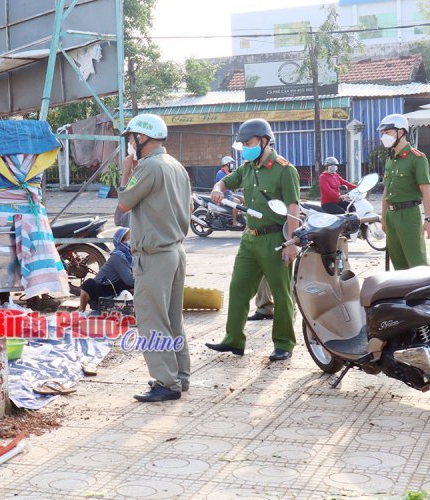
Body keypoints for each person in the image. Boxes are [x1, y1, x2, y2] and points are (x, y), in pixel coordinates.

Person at [205, 118, 300, 362]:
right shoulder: (247, 167)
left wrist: (292, 243)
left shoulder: (284, 169)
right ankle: (233, 339)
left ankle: (283, 343)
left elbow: (293, 208)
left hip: (274, 239)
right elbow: (226, 181)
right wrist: (218, 187)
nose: (246, 147)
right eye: (244, 143)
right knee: (238, 288)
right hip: (250, 239)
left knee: (281, 293)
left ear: (264, 141)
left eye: (249, 142)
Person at [116, 113, 192, 402]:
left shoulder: (147, 167)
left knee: (152, 320)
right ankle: (180, 377)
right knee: (173, 318)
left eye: (131, 138)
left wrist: (126, 172)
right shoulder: (175, 165)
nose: (129, 144)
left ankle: (165, 382)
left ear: (141, 138)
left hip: (155, 256)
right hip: (175, 250)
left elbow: (123, 203)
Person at [378, 113, 430, 270]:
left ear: (400, 132)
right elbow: (386, 192)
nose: (384, 137)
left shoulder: (417, 158)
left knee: (416, 263)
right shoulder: (391, 159)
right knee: (398, 264)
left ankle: (421, 294)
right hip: (391, 216)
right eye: (383, 133)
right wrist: (383, 218)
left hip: (409, 215)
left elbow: (426, 189)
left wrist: (429, 219)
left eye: (388, 133)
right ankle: (403, 294)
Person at [78, 227, 134, 314]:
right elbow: (130, 281)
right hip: (103, 291)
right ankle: (81, 310)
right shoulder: (118, 257)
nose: (132, 240)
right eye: (129, 238)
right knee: (89, 284)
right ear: (122, 241)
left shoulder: (131, 256)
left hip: (117, 289)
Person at [216, 156, 243, 226]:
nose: (232, 165)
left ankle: (240, 213)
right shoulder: (221, 173)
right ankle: (234, 221)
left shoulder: (226, 173)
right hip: (224, 196)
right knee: (237, 202)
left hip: (229, 194)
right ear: (227, 164)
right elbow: (226, 186)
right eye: (230, 164)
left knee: (243, 199)